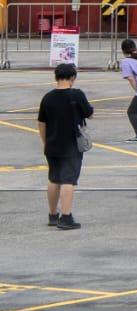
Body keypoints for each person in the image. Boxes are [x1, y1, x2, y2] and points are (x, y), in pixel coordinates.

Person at [36, 61, 92, 230]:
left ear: (56, 77)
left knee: (54, 178)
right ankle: (66, 217)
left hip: (52, 144)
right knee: (69, 180)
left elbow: (41, 123)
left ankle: (53, 215)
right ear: (73, 77)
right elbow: (89, 113)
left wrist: (46, 142)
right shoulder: (77, 95)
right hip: (71, 144)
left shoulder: (47, 97)